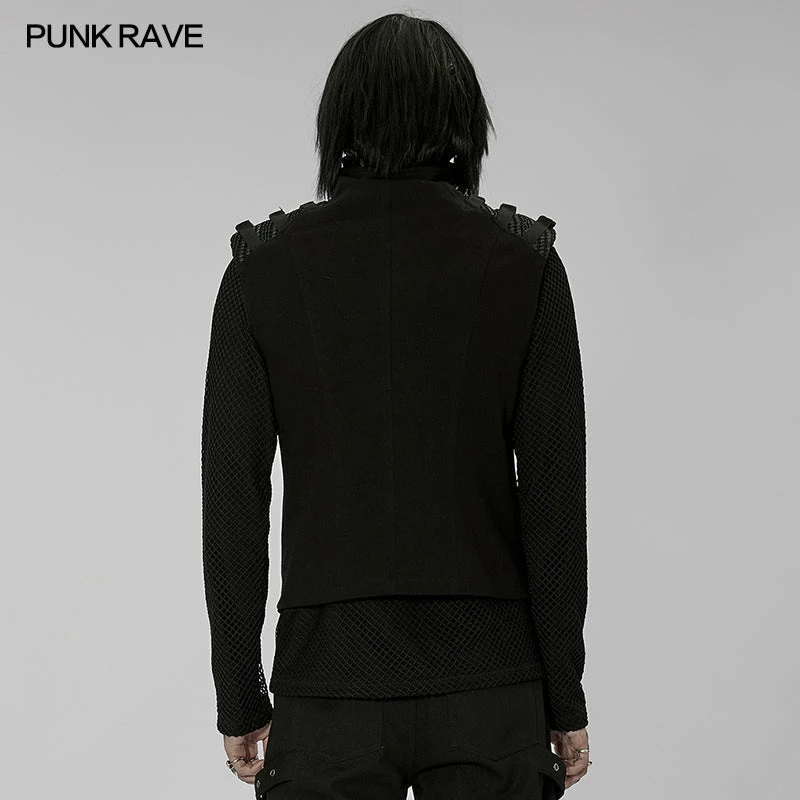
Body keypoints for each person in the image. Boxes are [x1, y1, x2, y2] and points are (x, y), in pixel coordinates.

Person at [201, 11, 591, 799]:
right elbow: (553, 498)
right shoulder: (525, 264)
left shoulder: (262, 272)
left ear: (338, 120)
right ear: (462, 121)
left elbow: (234, 497)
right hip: (492, 687)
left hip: (327, 688)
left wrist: (240, 694)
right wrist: (564, 695)